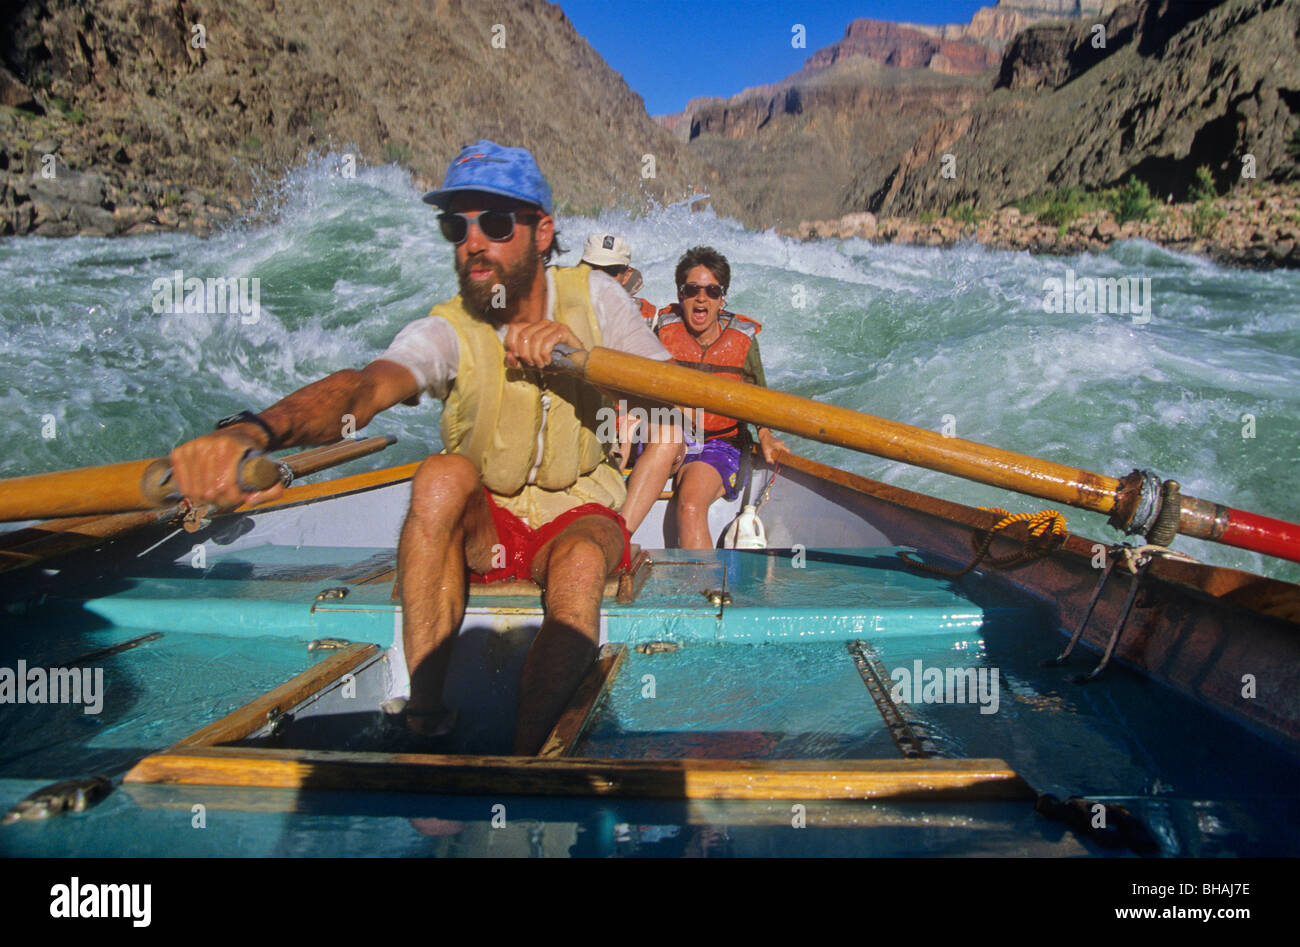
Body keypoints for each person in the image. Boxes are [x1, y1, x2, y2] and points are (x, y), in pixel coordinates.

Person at [166, 140, 683, 754]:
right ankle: (426, 719)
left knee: (578, 562)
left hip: (579, 517)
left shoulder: (598, 298)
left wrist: (586, 358)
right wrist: (254, 431)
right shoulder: (447, 326)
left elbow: (671, 398)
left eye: (493, 222)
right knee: (439, 476)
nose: (472, 241)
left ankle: (525, 761)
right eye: (454, 225)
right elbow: (364, 389)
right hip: (487, 529)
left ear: (543, 232)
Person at [652, 246, 787, 549]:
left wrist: (764, 434)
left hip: (717, 445)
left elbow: (757, 396)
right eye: (692, 290)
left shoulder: (742, 342)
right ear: (680, 294)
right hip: (669, 437)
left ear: (722, 298)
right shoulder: (660, 332)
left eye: (712, 290)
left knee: (689, 504)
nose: (702, 297)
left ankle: (704, 589)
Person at [579, 232, 658, 325]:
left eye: (611, 270)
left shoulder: (650, 321)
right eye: (592, 267)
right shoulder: (560, 309)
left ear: (626, 276)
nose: (600, 276)